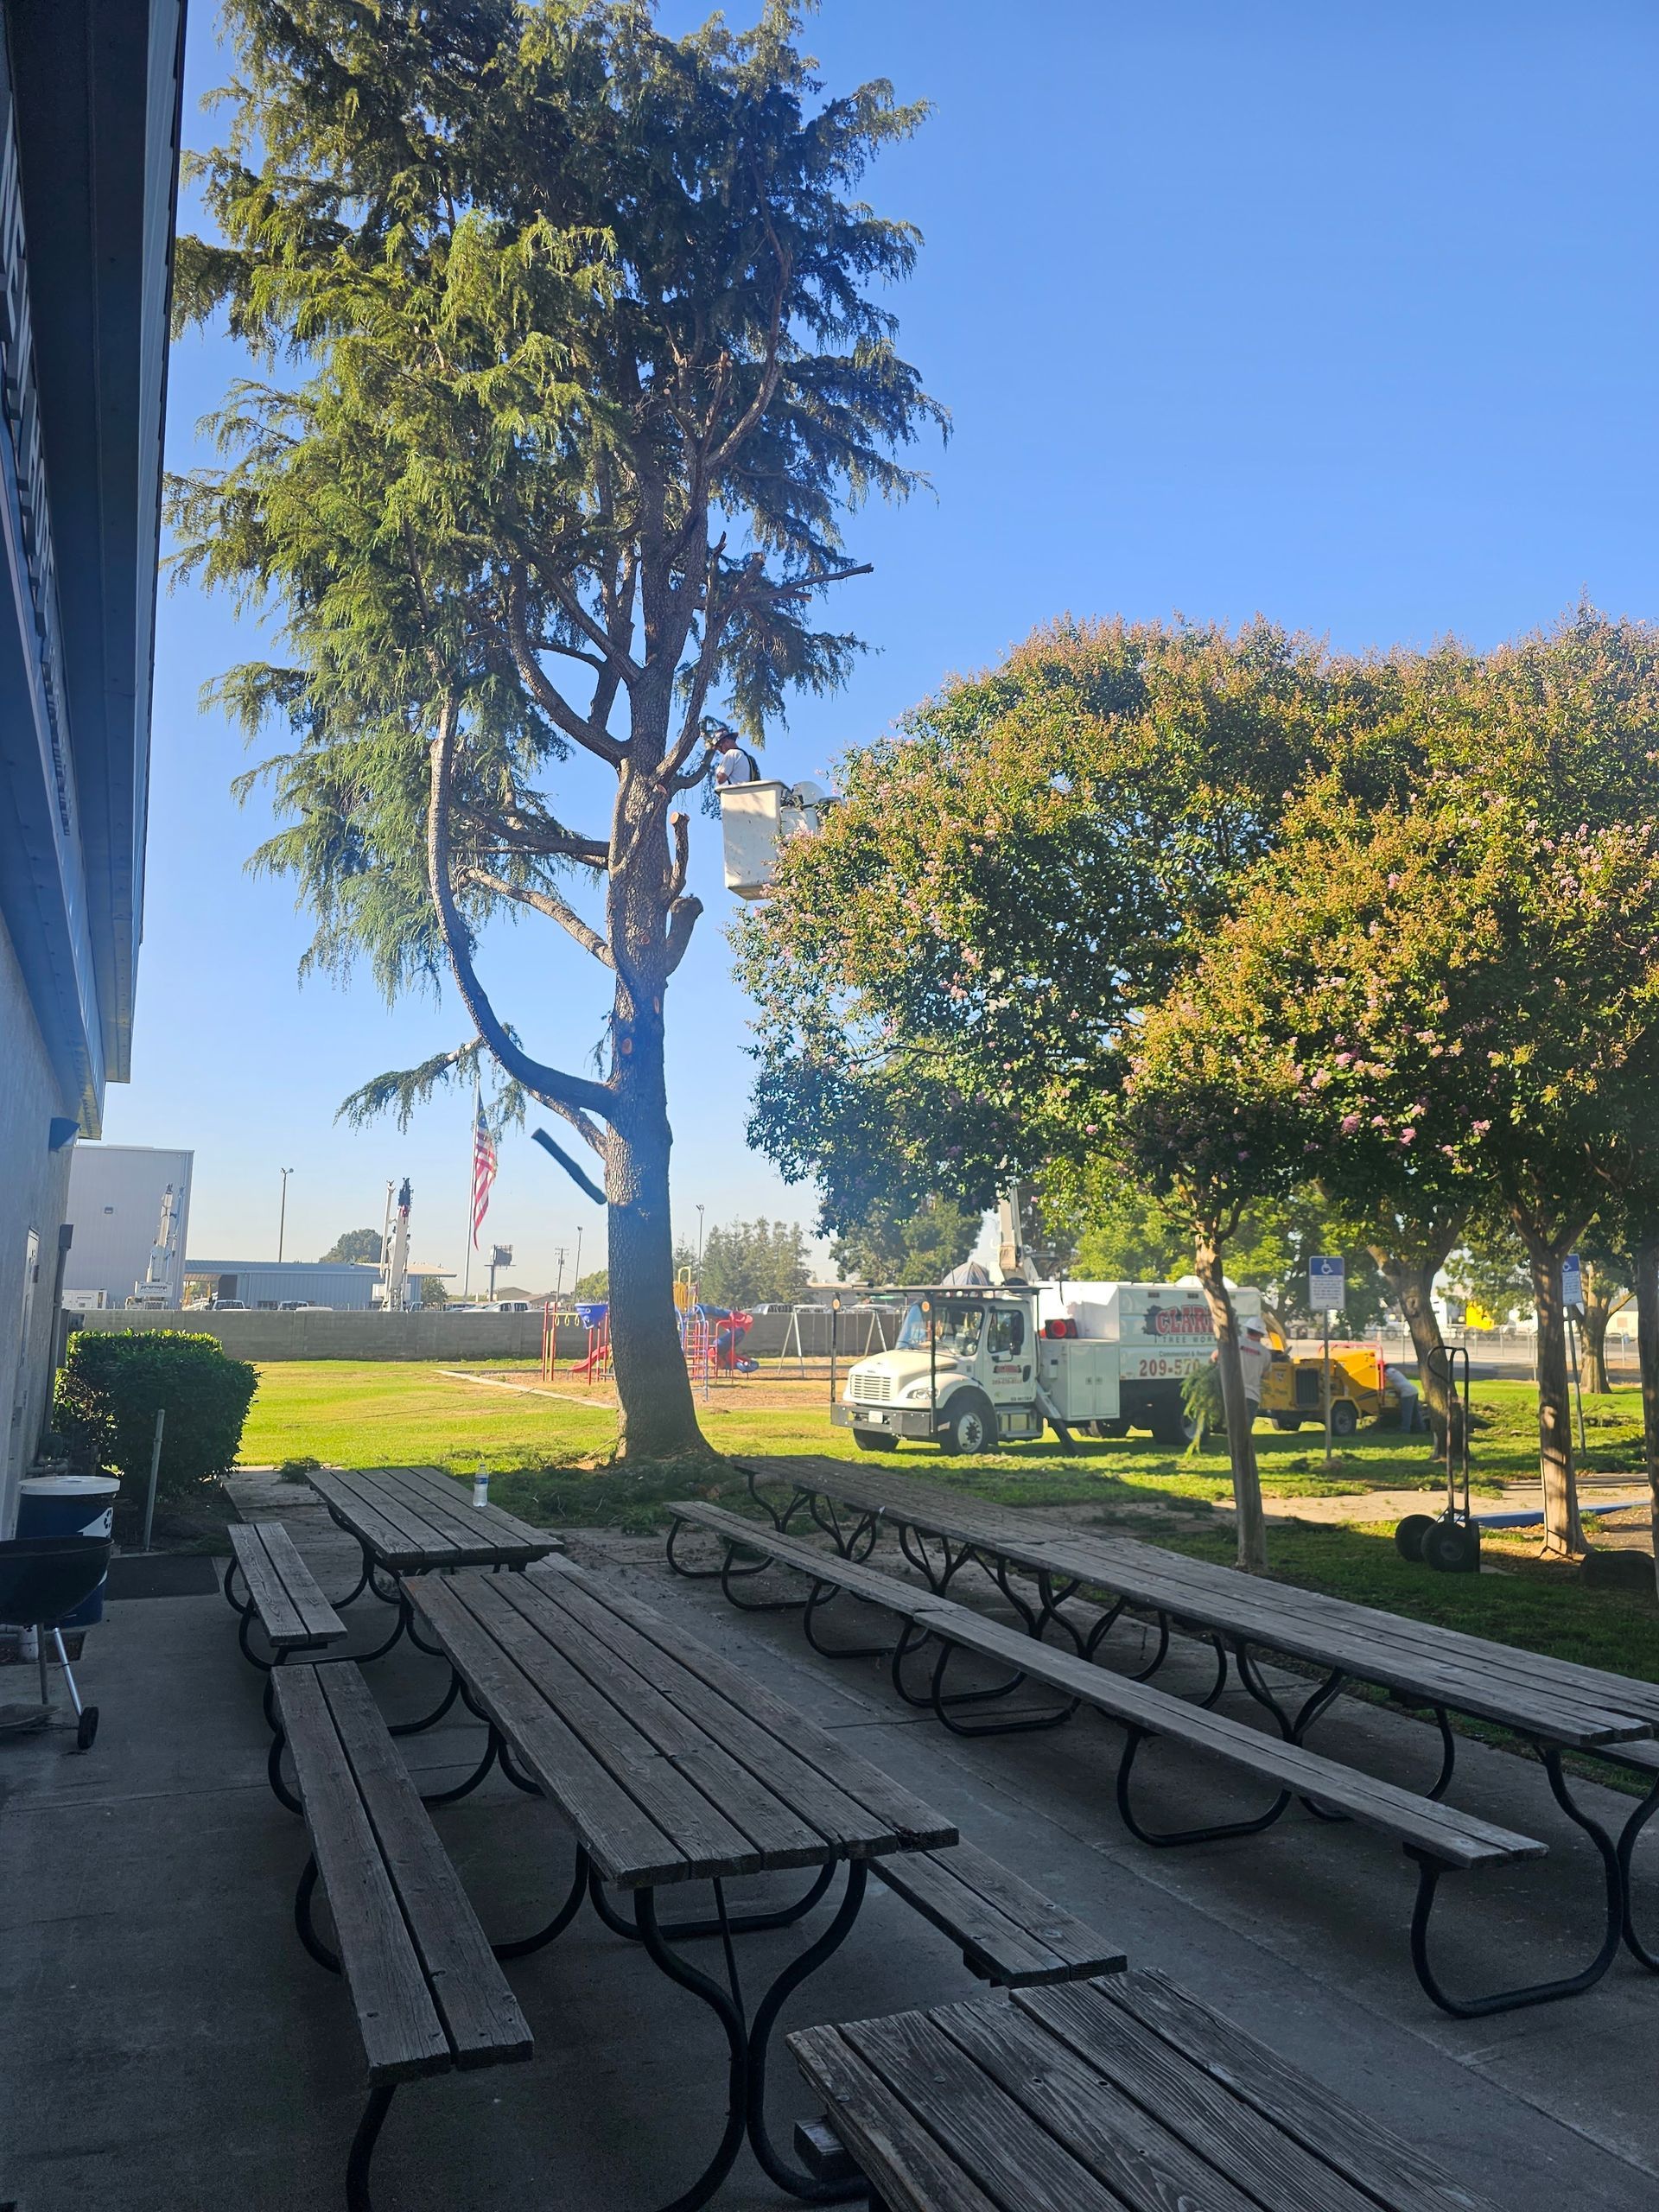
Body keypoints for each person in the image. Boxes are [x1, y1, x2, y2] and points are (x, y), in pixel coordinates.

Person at [710, 723, 759, 788]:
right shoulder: (745, 756)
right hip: (748, 791)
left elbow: (720, 779)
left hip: (736, 792)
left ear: (726, 742)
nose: (721, 752)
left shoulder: (731, 753)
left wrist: (718, 770)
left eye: (720, 749)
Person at [1385, 1362, 1425, 1433]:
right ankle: (1421, 1428)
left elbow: (1385, 1383)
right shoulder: (1393, 1370)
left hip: (1407, 1393)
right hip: (1413, 1390)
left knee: (1406, 1413)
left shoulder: (1387, 1373)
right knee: (1415, 1412)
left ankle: (1405, 1429)